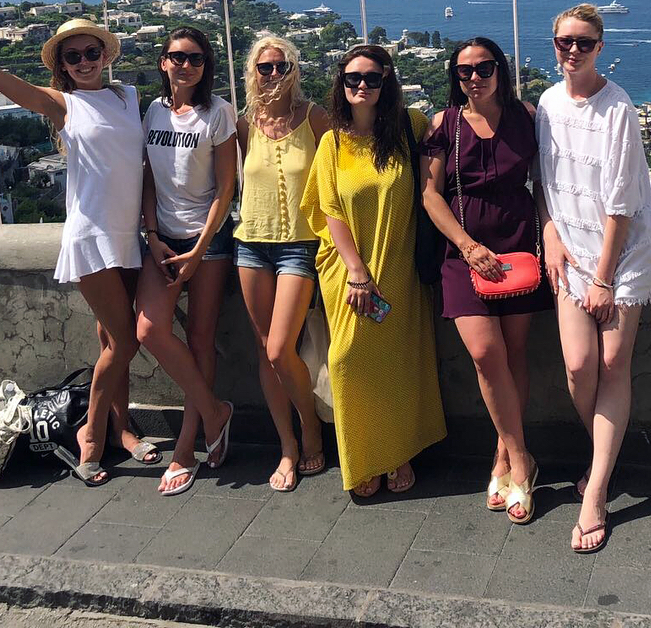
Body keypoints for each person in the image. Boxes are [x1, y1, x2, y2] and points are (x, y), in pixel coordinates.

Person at [0, 0, 150, 486]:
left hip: (128, 234)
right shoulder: (61, 104)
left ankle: (123, 430)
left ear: (105, 55)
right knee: (125, 342)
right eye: (74, 57)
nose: (84, 61)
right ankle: (91, 435)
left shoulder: (126, 96)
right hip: (91, 235)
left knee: (109, 340)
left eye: (91, 52)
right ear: (63, 66)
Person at [534, 3, 651, 553]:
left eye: (584, 42)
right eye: (565, 41)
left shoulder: (618, 110)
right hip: (569, 249)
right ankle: (604, 453)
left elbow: (622, 204)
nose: (573, 50)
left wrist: (604, 279)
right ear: (554, 44)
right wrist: (549, 235)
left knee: (611, 361)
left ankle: (598, 487)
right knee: (577, 364)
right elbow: (542, 180)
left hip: (621, 252)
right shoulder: (546, 102)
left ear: (600, 48)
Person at [300, 44, 446, 496]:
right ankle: (363, 456)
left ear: (387, 82)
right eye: (353, 78)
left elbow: (451, 132)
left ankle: (397, 451)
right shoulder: (332, 142)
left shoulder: (410, 127)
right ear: (341, 84)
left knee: (397, 359)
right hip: (348, 266)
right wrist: (357, 271)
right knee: (347, 359)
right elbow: (329, 209)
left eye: (372, 78)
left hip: (399, 261)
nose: (362, 85)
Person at [420, 37, 552, 523]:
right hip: (464, 252)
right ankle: (522, 460)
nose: (474, 77)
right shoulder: (444, 123)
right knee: (484, 352)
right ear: (454, 77)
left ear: (500, 70)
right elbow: (430, 195)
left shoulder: (527, 116)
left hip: (518, 246)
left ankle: (502, 457)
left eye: (484, 68)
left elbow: (547, 183)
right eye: (464, 71)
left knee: (513, 353)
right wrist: (468, 247)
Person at [134, 27, 236, 496]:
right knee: (149, 330)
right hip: (163, 239)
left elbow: (226, 188)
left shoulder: (218, 113)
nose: (187, 65)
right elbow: (149, 178)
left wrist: (201, 247)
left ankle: (185, 448)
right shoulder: (153, 110)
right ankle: (216, 412)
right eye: (178, 57)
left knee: (199, 339)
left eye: (196, 58)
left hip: (207, 239)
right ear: (163, 62)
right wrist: (153, 234)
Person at [234, 36, 330, 492]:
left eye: (282, 66)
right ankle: (287, 445)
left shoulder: (314, 117)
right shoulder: (244, 124)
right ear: (252, 72)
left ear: (295, 70)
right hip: (251, 243)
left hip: (300, 245)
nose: (273, 74)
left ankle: (310, 428)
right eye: (265, 67)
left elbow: (338, 172)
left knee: (279, 349)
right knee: (264, 351)